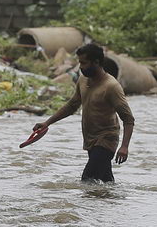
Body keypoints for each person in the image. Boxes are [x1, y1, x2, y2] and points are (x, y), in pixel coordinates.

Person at [33, 43, 134, 183]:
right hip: (90, 139)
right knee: (106, 182)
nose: (80, 66)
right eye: (79, 62)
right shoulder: (83, 80)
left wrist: (124, 147)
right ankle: (113, 202)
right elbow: (72, 105)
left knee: (88, 180)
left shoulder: (111, 87)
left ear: (96, 62)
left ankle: (87, 206)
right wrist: (47, 123)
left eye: (84, 63)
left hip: (106, 140)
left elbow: (128, 119)